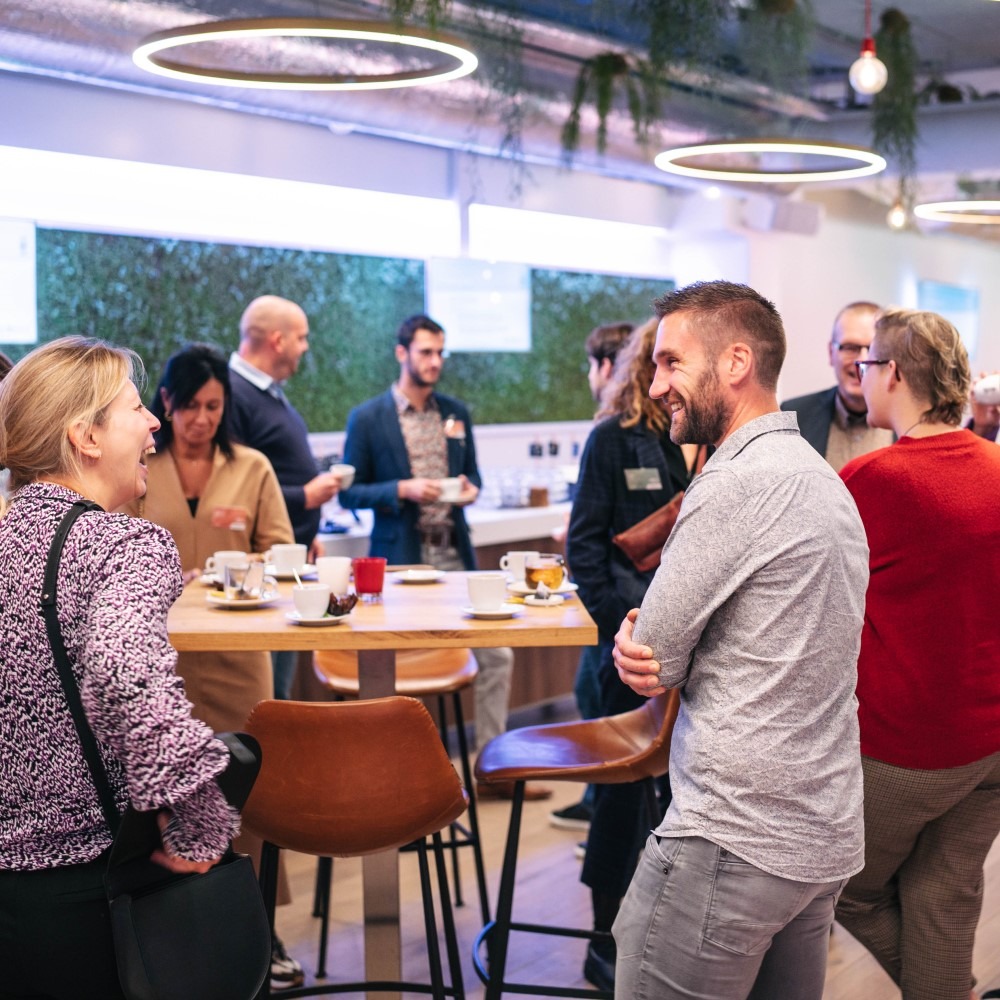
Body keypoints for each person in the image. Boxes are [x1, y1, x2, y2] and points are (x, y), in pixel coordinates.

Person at [611, 280, 869, 1000]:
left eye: (669, 362)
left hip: (731, 838)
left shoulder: (733, 484)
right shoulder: (818, 476)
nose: (657, 383)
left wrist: (646, 642)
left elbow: (654, 655)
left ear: (734, 362)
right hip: (819, 836)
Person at [0, 337, 239, 999]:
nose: (155, 422)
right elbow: (123, 666)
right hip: (91, 892)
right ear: (86, 437)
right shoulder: (123, 543)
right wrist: (200, 814)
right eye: (137, 408)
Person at [122, 342, 302, 992]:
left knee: (246, 791)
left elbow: (283, 551)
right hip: (156, 658)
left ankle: (262, 928)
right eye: (190, 405)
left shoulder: (250, 467)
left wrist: (237, 570)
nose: (201, 419)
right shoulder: (141, 466)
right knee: (166, 798)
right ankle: (176, 934)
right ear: (165, 405)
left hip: (237, 655)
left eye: (213, 407)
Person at [834, 309, 1000, 1000]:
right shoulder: (996, 464)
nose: (859, 377)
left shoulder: (875, 479)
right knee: (944, 901)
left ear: (894, 373)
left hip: (905, 749)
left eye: (867, 363)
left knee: (837, 884)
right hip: (989, 741)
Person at [339, 314, 546, 801]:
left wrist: (469, 490)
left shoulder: (456, 413)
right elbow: (350, 495)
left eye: (440, 353)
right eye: (426, 352)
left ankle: (492, 771)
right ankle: (402, 785)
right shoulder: (367, 418)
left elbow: (472, 475)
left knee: (496, 655)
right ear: (401, 353)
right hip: (402, 562)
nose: (435, 362)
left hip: (455, 554)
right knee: (400, 671)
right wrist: (401, 489)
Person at [566, 318, 698, 991]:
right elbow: (583, 552)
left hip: (690, 665)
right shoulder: (610, 443)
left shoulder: (703, 445)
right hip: (623, 660)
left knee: (679, 803)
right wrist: (627, 630)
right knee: (616, 805)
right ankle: (602, 939)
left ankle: (666, 938)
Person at [227, 295, 342, 700]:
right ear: (277, 340)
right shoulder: (233, 394)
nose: (306, 347)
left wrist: (308, 532)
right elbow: (233, 488)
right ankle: (270, 764)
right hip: (263, 566)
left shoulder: (268, 392)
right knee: (267, 695)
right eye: (302, 338)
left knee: (280, 686)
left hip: (292, 555)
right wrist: (305, 498)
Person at [552, 320, 635, 834]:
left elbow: (587, 536)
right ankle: (598, 803)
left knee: (598, 698)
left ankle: (606, 814)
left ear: (606, 366)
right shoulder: (616, 433)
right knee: (592, 695)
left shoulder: (615, 433)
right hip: (616, 602)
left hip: (613, 603)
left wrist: (606, 610)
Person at [781, 300, 893, 470]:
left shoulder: (910, 422)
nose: (861, 360)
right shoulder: (795, 417)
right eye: (850, 347)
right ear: (831, 353)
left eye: (872, 349)